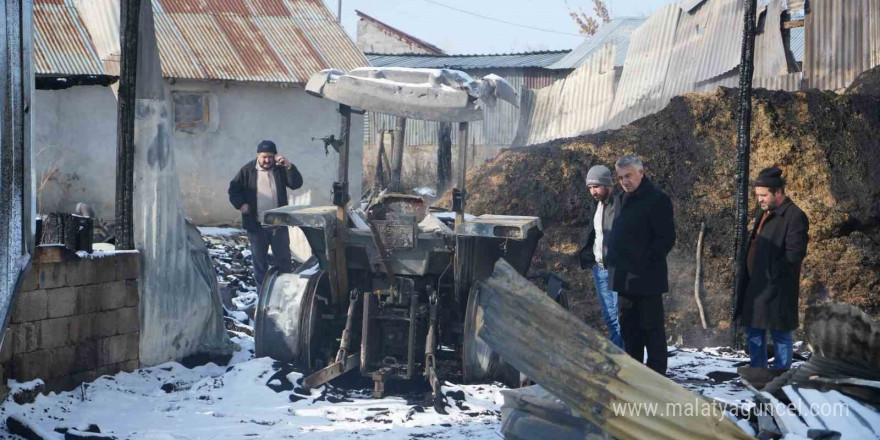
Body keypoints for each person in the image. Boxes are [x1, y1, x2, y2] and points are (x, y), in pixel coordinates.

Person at [606, 155, 676, 375]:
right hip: (624, 279)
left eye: (628, 176)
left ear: (641, 172)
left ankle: (657, 376)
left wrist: (643, 262)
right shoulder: (620, 198)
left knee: (652, 330)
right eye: (620, 177)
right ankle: (635, 374)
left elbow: (665, 239)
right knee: (629, 330)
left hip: (647, 278)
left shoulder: (657, 199)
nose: (624, 181)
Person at [735, 166, 808, 370]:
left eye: (763, 195)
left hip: (777, 287)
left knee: (780, 334)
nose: (759, 199)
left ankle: (780, 377)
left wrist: (772, 274)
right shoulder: (765, 212)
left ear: (778, 192)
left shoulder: (794, 216)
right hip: (756, 285)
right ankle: (759, 373)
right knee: (754, 332)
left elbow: (795, 253)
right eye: (757, 195)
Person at [228, 140, 303, 292]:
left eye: (270, 157)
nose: (267, 160)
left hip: (278, 225)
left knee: (283, 261)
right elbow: (233, 190)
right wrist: (241, 204)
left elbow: (296, 184)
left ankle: (284, 293)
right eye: (264, 157)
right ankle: (262, 295)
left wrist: (289, 166)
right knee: (259, 263)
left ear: (275, 156)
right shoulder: (248, 170)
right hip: (256, 226)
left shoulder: (280, 169)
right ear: (258, 156)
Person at [577, 165, 624, 349]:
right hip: (600, 269)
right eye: (589, 188)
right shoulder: (596, 204)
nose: (592, 192)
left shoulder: (620, 202)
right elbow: (595, 234)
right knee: (610, 318)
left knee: (620, 317)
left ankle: (625, 362)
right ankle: (619, 357)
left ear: (606, 184)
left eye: (595, 187)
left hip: (617, 268)